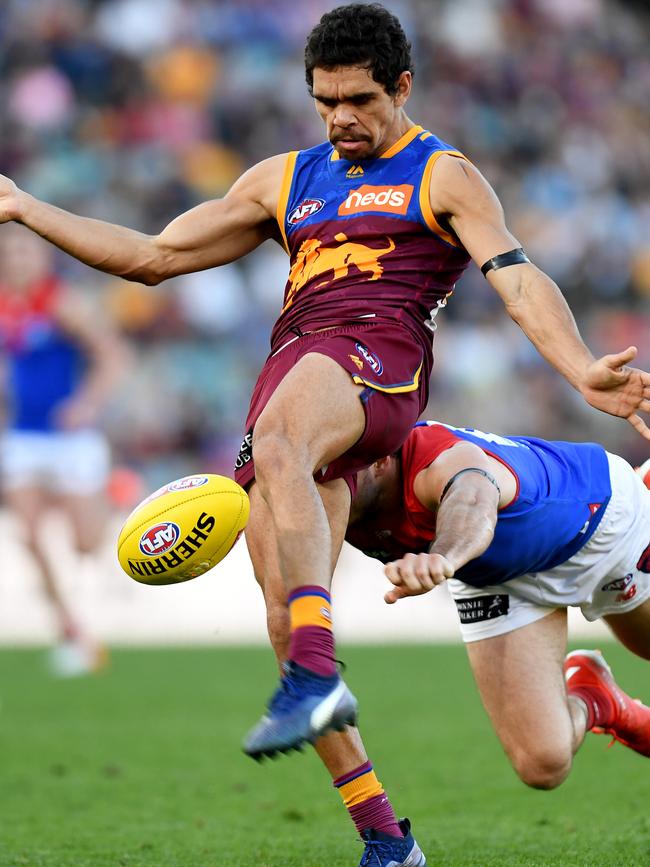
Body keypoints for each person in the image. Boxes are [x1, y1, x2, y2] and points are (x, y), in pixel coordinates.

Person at [0, 3, 649, 863]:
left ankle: (315, 667)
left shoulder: (442, 176)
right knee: (290, 607)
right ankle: (385, 835)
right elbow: (150, 256)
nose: (340, 117)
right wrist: (23, 206)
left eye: (358, 100)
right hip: (299, 377)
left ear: (402, 87)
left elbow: (518, 280)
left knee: (277, 444)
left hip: (375, 362)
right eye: (325, 101)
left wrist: (578, 371)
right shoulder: (283, 180)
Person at [347, 419, 650, 790]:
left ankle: (644, 484)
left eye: (345, 471)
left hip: (600, 520)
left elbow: (473, 498)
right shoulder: (323, 490)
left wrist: (442, 556)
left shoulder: (436, 457)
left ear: (380, 460)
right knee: (544, 763)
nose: (332, 483)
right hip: (496, 577)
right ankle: (596, 699)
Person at [0, 225, 127, 675]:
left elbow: (111, 355)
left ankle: (111, 504)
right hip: (24, 436)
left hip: (70, 439)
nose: (17, 261)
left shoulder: (60, 303)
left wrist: (87, 403)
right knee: (29, 535)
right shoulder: (5, 304)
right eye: (10, 253)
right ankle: (70, 628)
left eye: (25, 253)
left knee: (86, 541)